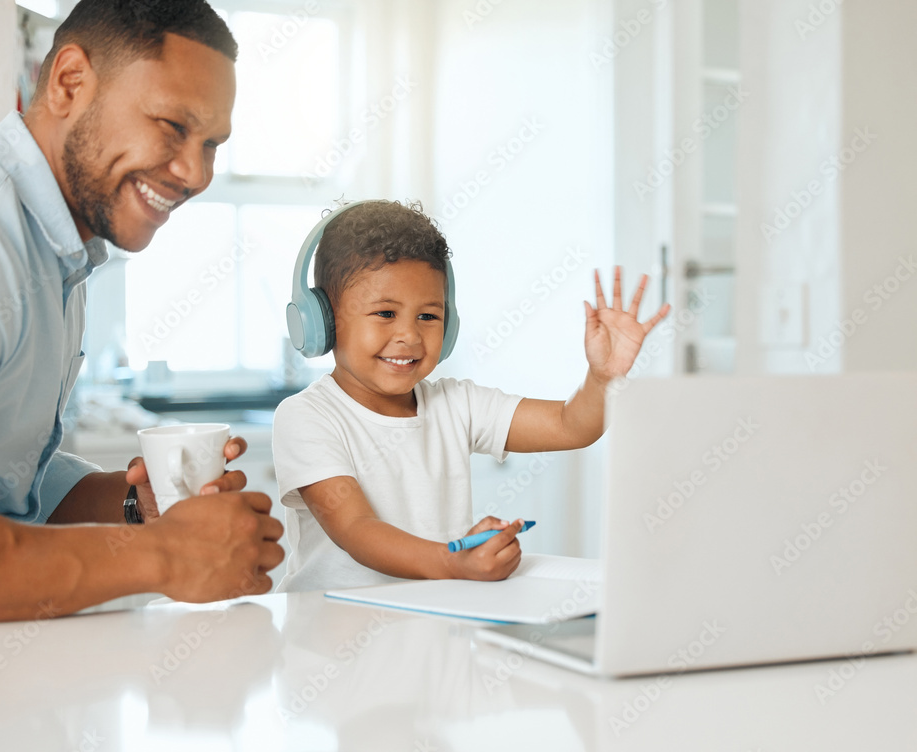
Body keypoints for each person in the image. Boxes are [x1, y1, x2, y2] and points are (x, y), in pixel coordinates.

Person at [0, 0, 283, 625]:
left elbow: (1, 483)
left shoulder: (62, 251)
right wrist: (162, 555)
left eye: (212, 144)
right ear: (69, 83)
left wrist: (134, 504)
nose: (195, 173)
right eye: (171, 124)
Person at [271, 200, 670, 592]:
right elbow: (356, 530)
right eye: (385, 313)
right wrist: (453, 561)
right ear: (324, 320)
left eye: (428, 316)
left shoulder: (455, 404)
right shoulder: (307, 416)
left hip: (429, 626)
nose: (409, 335)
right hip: (331, 634)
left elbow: (570, 426)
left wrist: (602, 379)